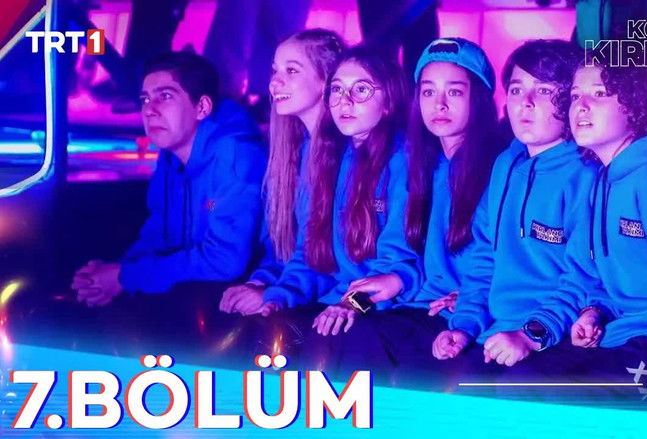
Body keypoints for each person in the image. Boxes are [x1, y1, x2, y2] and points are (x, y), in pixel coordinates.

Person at [510, 60, 647, 402]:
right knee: (512, 384)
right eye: (575, 96)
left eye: (599, 94)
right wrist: (594, 312)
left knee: (546, 397)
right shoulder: (601, 180)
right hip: (617, 337)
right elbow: (599, 276)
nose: (581, 106)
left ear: (636, 104)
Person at [302, 38, 503, 385]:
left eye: (454, 92)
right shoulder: (423, 165)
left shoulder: (498, 168)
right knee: (340, 338)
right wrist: (355, 303)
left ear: (480, 98)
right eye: (428, 92)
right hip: (423, 306)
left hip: (467, 315)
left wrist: (467, 305)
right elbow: (402, 268)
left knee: (365, 348)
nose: (439, 104)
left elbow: (501, 266)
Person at [431, 40, 600, 371]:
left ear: (570, 99)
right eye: (516, 89)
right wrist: (463, 327)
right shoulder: (506, 164)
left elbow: (585, 279)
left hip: (555, 336)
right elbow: (485, 259)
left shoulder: (586, 175)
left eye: (544, 90)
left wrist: (531, 334)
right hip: (496, 332)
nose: (526, 102)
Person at [249, 47, 420, 361]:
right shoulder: (334, 155)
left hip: (383, 305)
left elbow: (398, 270)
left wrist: (350, 304)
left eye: (361, 90)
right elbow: (314, 254)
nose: (345, 101)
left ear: (389, 102)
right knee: (266, 332)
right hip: (337, 297)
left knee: (330, 345)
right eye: (337, 90)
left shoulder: (404, 161)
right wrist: (281, 295)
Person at [72, 52, 267, 305]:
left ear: (202, 107)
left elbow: (225, 260)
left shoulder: (237, 158)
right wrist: (111, 275)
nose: (149, 110)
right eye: (145, 99)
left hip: (256, 301)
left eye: (165, 96)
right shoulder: (170, 156)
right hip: (201, 297)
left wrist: (125, 277)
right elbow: (158, 235)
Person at [218, 29, 346, 318]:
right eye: (275, 70)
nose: (275, 82)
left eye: (292, 70)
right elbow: (283, 246)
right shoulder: (294, 150)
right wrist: (259, 281)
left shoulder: (345, 155)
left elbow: (334, 260)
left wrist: (278, 294)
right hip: (300, 289)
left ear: (326, 80)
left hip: (337, 300)